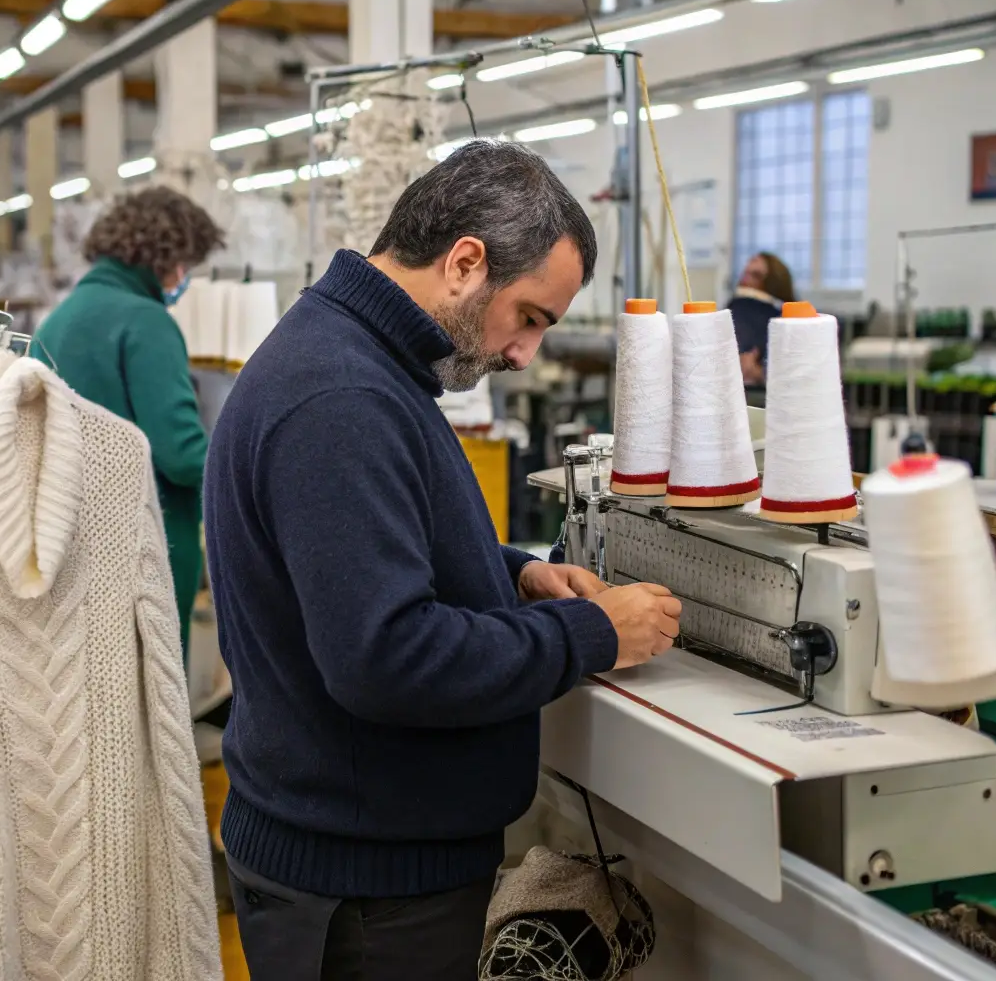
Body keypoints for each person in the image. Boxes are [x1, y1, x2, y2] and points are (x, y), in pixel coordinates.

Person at [204, 139, 683, 981]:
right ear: (465, 263)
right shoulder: (343, 399)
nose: (525, 352)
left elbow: (355, 551)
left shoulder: (353, 361)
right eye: (530, 317)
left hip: (357, 863)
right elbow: (387, 660)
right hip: (364, 896)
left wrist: (512, 573)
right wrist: (590, 634)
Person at [34, 185, 223, 663]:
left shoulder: (59, 320)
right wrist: (247, 472)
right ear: (168, 255)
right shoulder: (145, 322)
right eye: (187, 264)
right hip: (142, 544)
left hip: (69, 536)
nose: (184, 279)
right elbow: (180, 454)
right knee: (148, 695)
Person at [729, 251, 795, 388]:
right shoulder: (737, 307)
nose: (747, 282)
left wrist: (760, 373)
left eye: (756, 276)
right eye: (745, 274)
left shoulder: (787, 320)